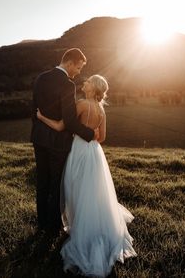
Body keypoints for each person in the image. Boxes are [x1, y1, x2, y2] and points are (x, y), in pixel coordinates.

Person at [37, 74, 137, 277]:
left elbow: (60, 126)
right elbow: (102, 138)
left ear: (94, 88)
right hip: (95, 153)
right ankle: (93, 222)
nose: (85, 83)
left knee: (75, 187)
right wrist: (90, 141)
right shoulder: (101, 110)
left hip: (80, 150)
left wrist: (41, 117)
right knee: (93, 190)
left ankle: (79, 226)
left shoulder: (81, 104)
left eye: (88, 82)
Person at [31, 48, 96, 236]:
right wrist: (89, 133)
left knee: (42, 180)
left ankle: (42, 223)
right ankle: (52, 227)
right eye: (78, 67)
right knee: (56, 183)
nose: (79, 71)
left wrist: (39, 129)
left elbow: (34, 110)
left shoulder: (40, 78)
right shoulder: (67, 85)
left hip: (39, 137)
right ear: (69, 63)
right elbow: (70, 120)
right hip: (57, 142)